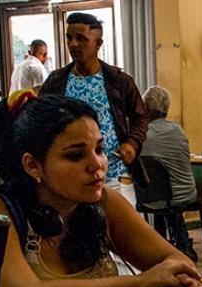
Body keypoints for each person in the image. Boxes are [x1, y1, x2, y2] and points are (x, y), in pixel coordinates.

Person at [0, 91, 202, 287]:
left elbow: (177, 261)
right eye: (75, 155)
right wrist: (143, 282)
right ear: (32, 165)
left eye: (99, 150)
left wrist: (183, 281)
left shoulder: (103, 203)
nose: (97, 165)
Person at [40, 12, 148, 203]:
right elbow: (41, 121)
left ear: (98, 44)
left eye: (81, 39)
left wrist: (132, 143)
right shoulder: (56, 82)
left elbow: (140, 117)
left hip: (115, 174)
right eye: (70, 38)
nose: (73, 44)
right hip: (73, 179)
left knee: (121, 229)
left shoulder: (119, 81)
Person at [141, 86, 198, 261]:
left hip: (155, 197)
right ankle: (183, 244)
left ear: (146, 108)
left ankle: (163, 245)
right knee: (166, 198)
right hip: (185, 193)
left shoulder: (143, 135)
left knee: (159, 195)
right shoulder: (178, 130)